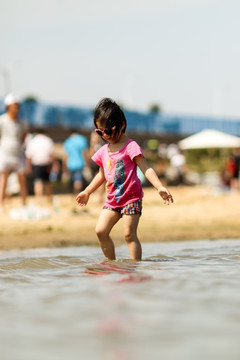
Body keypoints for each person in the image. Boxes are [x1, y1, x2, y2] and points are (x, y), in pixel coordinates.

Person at [76, 98, 173, 260]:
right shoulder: (103, 151)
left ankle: (135, 267)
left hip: (131, 199)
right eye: (100, 132)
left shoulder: (131, 146)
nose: (104, 135)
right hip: (113, 200)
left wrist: (159, 186)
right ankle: (111, 263)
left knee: (129, 234)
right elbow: (101, 175)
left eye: (108, 130)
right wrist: (87, 191)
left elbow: (146, 168)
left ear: (121, 125)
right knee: (100, 231)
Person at [0, 94, 28, 212]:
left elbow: (24, 136)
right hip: (5, 154)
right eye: (14, 106)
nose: (16, 108)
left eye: (17, 106)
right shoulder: (2, 120)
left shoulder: (22, 122)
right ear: (8, 107)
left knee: (22, 180)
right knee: (3, 180)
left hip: (18, 155)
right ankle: (1, 204)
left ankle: (24, 204)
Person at [25, 128, 54, 204]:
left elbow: (29, 155)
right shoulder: (48, 140)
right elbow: (51, 154)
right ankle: (49, 198)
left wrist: (28, 167)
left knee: (38, 182)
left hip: (37, 164)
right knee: (47, 181)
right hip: (46, 163)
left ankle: (38, 199)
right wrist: (53, 165)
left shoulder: (33, 141)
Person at [63, 129, 89, 212]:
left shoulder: (68, 141)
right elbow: (84, 152)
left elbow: (65, 156)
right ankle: (78, 196)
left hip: (70, 164)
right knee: (78, 182)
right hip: (79, 164)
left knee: (73, 182)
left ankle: (74, 197)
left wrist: (64, 167)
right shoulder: (82, 139)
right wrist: (87, 163)